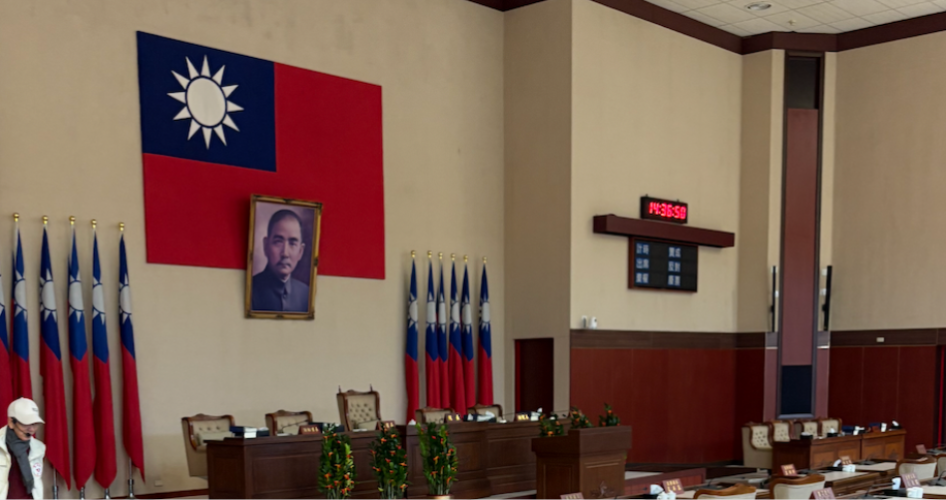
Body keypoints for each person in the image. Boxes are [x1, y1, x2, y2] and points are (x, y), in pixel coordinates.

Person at [251, 209, 311, 312]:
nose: (285, 253)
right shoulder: (250, 290)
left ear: (300, 252)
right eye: (278, 242)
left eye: (292, 244)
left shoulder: (306, 294)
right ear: (266, 246)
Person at [0, 398, 46, 499]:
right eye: (26, 423)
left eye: (35, 424)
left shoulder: (39, 448)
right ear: (11, 422)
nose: (31, 429)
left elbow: (36, 484)